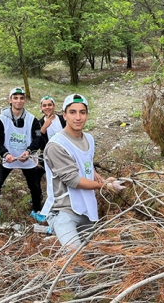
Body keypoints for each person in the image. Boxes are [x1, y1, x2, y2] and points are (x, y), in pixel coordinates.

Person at [41, 94, 124, 248]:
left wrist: (103, 179)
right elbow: (72, 180)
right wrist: (104, 187)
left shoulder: (89, 139)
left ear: (87, 115)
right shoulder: (56, 145)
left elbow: (86, 166)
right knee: (75, 259)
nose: (78, 117)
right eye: (72, 112)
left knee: (90, 257)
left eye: (82, 112)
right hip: (63, 211)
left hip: (87, 208)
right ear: (64, 115)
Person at [0, 87, 47, 224]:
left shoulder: (32, 119)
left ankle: (37, 210)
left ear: (24, 100)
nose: (19, 101)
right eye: (15, 98)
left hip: (27, 158)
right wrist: (5, 154)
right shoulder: (1, 119)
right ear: (10, 100)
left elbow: (38, 139)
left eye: (21, 98)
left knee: (34, 185)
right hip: (9, 158)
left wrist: (29, 151)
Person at [36, 95, 66, 186]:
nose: (47, 107)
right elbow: (38, 143)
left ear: (54, 106)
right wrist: (44, 127)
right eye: (44, 105)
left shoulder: (63, 119)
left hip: (65, 152)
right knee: (35, 172)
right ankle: (38, 196)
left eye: (49, 105)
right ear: (41, 108)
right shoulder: (38, 123)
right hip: (47, 154)